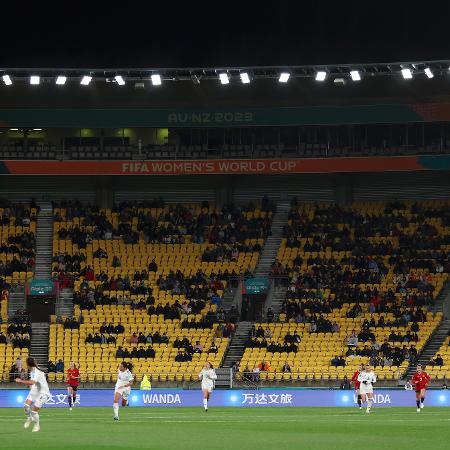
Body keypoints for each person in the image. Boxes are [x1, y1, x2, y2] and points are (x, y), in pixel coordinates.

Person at [15, 357, 51, 432]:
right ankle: (29, 418)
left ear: (28, 364)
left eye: (25, 362)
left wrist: (21, 381)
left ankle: (37, 425)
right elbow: (34, 383)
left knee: (34, 411)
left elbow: (32, 382)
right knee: (26, 406)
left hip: (43, 392)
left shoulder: (36, 372)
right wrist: (30, 386)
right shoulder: (32, 370)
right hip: (36, 390)